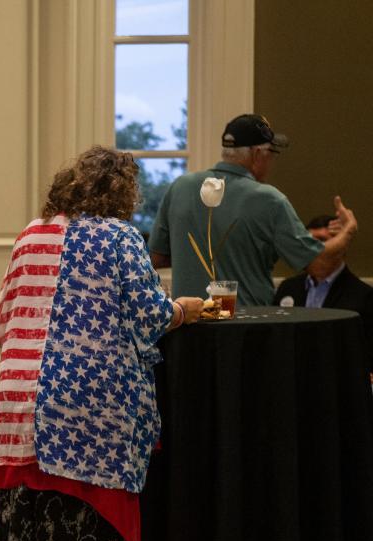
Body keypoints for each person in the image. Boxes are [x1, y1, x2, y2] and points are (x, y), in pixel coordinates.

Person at [0, 146, 203, 541]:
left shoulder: (29, 235)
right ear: (124, 192)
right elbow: (149, 317)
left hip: (20, 416)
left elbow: (2, 325)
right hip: (91, 424)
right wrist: (185, 309)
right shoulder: (120, 237)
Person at [149, 113, 358, 306]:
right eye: (272, 153)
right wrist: (348, 230)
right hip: (246, 330)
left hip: (188, 330)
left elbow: (155, 259)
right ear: (258, 154)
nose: (272, 161)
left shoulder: (180, 187)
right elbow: (320, 266)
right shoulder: (269, 200)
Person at [274, 214, 373, 371]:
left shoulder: (363, 296)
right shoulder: (288, 288)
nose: (314, 249)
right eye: (309, 242)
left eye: (321, 241)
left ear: (341, 246)